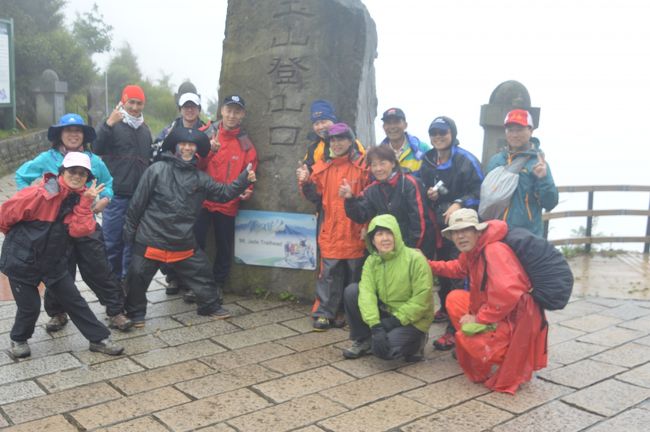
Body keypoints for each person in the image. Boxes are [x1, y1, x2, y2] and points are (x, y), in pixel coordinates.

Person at [123, 127, 256, 327]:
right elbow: (136, 204)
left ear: (197, 150)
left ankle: (209, 305)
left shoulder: (200, 178)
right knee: (136, 277)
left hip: (182, 242)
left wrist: (244, 179)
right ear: (175, 147)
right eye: (183, 144)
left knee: (202, 272)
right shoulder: (156, 170)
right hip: (151, 239)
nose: (186, 148)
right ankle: (135, 314)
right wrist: (130, 234)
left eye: (191, 145)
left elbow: (225, 193)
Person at [14, 113, 132, 332]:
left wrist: (105, 199)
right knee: (58, 270)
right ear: (60, 134)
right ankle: (57, 313)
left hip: (85, 223)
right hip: (55, 228)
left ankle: (115, 311)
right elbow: (21, 176)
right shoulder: (46, 159)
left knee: (99, 268)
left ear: (84, 135)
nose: (73, 135)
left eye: (78, 131)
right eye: (68, 131)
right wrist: (35, 199)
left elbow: (108, 182)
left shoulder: (94, 160)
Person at [1, 152, 124, 358]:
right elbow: (5, 217)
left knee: (74, 300)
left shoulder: (81, 198)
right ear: (62, 172)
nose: (77, 177)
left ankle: (99, 339)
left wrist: (86, 204)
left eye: (82, 174)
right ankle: (18, 339)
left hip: (53, 260)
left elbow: (80, 230)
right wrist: (22, 242)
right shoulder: (38, 193)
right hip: (21, 261)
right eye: (72, 171)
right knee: (30, 307)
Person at [428, 208, 548, 394]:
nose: (460, 236)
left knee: (466, 337)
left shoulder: (493, 250)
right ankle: (485, 356)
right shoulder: (474, 251)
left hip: (518, 319)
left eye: (466, 230)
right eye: (455, 232)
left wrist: (478, 319)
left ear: (478, 231)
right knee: (455, 299)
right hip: (503, 312)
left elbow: (507, 294)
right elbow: (457, 268)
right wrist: (428, 264)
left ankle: (505, 355)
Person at [419, 116, 484, 350]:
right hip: (437, 227)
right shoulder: (427, 161)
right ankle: (447, 309)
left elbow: (480, 191)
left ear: (452, 134)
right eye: (434, 133)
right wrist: (429, 194)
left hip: (461, 229)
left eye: (443, 133)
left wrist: (459, 202)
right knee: (443, 271)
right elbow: (420, 188)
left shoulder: (465, 160)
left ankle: (455, 329)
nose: (438, 137)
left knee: (459, 274)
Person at [297, 122, 368, 331]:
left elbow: (369, 199)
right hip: (331, 230)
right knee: (328, 275)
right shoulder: (322, 167)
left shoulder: (363, 166)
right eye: (333, 140)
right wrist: (305, 181)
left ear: (351, 141)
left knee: (355, 276)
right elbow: (314, 196)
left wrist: (367, 225)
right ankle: (325, 313)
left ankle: (350, 313)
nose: (337, 144)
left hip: (355, 231)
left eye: (341, 139)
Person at [191, 95, 258, 303]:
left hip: (227, 202)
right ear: (221, 110)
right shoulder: (205, 134)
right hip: (202, 200)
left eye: (237, 111)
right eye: (228, 110)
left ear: (242, 115)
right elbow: (193, 166)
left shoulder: (246, 145)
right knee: (195, 243)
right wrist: (208, 152)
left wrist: (248, 189)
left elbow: (250, 173)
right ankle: (197, 285)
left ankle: (217, 285)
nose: (232, 115)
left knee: (224, 246)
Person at [342, 214, 433, 362]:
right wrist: (375, 326)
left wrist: (393, 322)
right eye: (379, 234)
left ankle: (417, 342)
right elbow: (367, 294)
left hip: (412, 319)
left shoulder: (415, 259)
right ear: (372, 240)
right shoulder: (371, 261)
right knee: (353, 291)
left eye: (389, 233)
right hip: (387, 313)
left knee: (385, 351)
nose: (385, 238)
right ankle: (364, 339)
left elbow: (422, 300)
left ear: (396, 234)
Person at [92, 84, 153, 282]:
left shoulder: (145, 130)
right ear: (123, 102)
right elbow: (96, 148)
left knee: (133, 243)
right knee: (112, 242)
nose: (135, 107)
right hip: (116, 195)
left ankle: (127, 282)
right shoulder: (113, 124)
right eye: (131, 102)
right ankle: (112, 285)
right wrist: (108, 124)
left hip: (138, 198)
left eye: (139, 103)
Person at [153, 91, 209, 295]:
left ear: (199, 109)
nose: (189, 110)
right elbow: (157, 154)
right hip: (173, 191)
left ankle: (191, 280)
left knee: (195, 236)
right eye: (186, 106)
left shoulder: (207, 130)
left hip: (197, 191)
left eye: (193, 106)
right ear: (180, 109)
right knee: (171, 234)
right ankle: (173, 277)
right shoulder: (170, 130)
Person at [341, 144, 434, 257]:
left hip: (415, 250)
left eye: (382, 163)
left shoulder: (410, 183)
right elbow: (361, 216)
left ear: (393, 163)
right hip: (388, 249)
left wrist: (410, 250)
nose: (378, 169)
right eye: (374, 165)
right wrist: (350, 199)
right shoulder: (371, 190)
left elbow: (420, 222)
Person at [485, 109, 558, 236]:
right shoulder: (496, 161)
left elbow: (550, 203)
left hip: (527, 237)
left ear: (531, 130)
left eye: (519, 130)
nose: (514, 135)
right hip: (496, 233)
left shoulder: (538, 163)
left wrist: (543, 179)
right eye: (510, 130)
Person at [302, 99, 365, 169]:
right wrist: (305, 174)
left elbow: (365, 166)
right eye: (316, 124)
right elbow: (307, 169)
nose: (320, 127)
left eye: (323, 122)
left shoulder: (352, 142)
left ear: (333, 121)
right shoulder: (313, 149)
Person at [378, 107, 431, 175]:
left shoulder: (422, 148)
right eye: (388, 123)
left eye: (396, 122)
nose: (392, 127)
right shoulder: (378, 154)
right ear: (383, 127)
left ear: (405, 125)